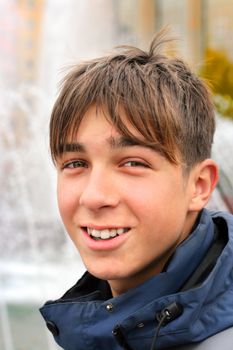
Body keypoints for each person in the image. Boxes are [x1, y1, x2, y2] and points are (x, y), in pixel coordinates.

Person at [40, 29, 233, 350]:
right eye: (75, 163)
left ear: (198, 186)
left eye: (132, 163)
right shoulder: (101, 324)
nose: (93, 196)